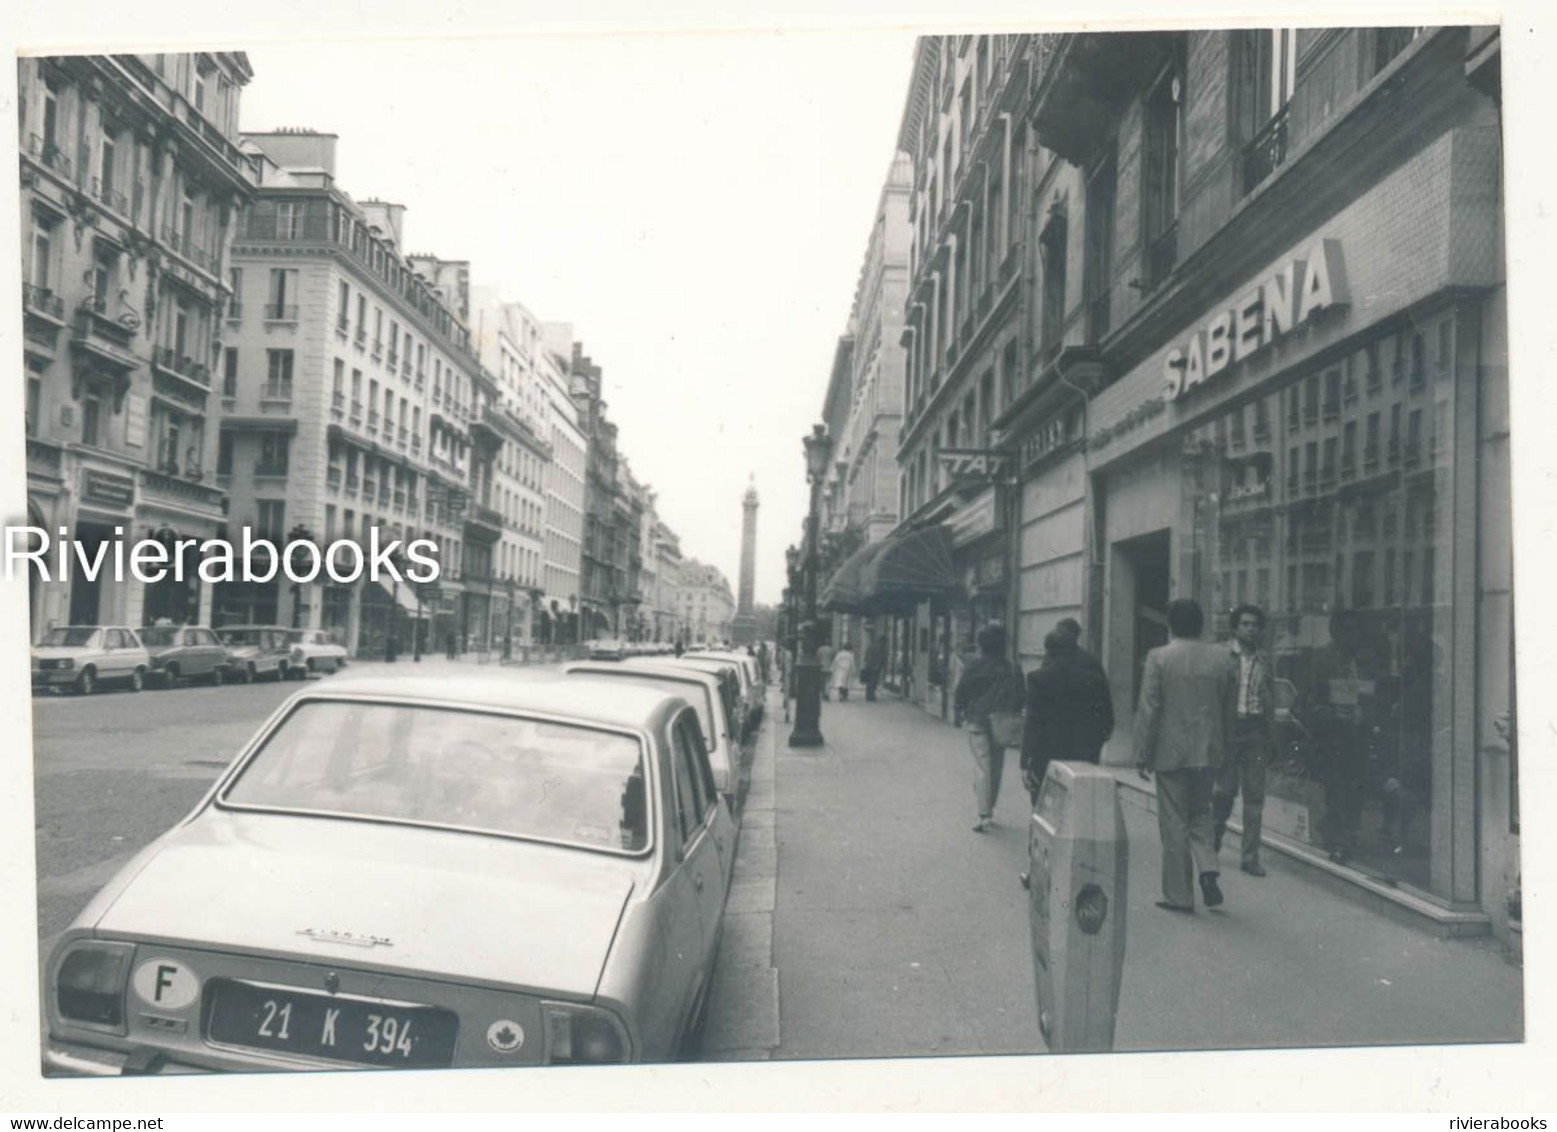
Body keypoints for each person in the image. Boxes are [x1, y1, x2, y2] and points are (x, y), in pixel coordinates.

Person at [1135, 598, 1237, 913]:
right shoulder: (1223, 659)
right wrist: (1226, 751)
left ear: (1171, 624)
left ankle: (1179, 895)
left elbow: (1150, 709)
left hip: (1171, 750)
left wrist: (1143, 752)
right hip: (1208, 749)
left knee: (1174, 821)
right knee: (1201, 812)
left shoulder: (1159, 657)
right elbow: (1229, 711)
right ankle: (1208, 868)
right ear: (1200, 623)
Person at [1212, 604, 1277, 876]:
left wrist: (1272, 737)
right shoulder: (1222, 656)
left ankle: (1249, 857)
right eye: (1245, 624)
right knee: (1224, 791)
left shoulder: (1264, 661)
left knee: (1254, 796)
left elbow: (1270, 698)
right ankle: (1213, 838)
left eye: (1255, 625)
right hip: (1229, 731)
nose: (1251, 629)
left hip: (1255, 731)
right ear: (1235, 628)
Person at [1021, 627, 1115, 804]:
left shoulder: (1037, 678)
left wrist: (1026, 762)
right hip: (1084, 754)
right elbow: (1107, 721)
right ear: (1074, 648)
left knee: (1045, 808)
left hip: (1046, 755)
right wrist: (1094, 745)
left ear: (1048, 651)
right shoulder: (1095, 681)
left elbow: (1032, 722)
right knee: (1080, 806)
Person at [954, 623, 1025, 833]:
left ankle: (983, 813)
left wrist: (958, 711)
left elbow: (962, 690)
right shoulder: (1012, 667)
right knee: (996, 767)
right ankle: (989, 808)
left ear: (982, 644)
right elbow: (1021, 695)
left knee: (982, 766)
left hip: (977, 720)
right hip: (1001, 722)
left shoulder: (975, 666)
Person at [862, 630, 888, 702]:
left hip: (869, 666)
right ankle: (871, 696)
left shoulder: (871, 645)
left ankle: (868, 695)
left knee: (869, 681)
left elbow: (866, 656)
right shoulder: (881, 647)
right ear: (883, 641)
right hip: (876, 667)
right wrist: (883, 666)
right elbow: (883, 657)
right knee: (874, 681)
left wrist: (866, 663)